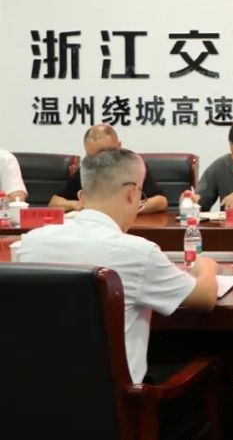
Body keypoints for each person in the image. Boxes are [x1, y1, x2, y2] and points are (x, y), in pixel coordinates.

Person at [20, 148, 219, 384]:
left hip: (35, 390)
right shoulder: (139, 252)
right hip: (116, 400)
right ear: (132, 193)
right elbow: (205, 298)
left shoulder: (31, 242)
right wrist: (206, 267)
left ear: (82, 197)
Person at [49, 124, 168, 214]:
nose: (99, 161)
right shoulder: (87, 169)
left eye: (105, 154)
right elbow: (54, 202)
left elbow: (160, 202)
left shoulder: (133, 167)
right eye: (92, 156)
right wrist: (75, 204)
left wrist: (129, 208)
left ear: (119, 146)